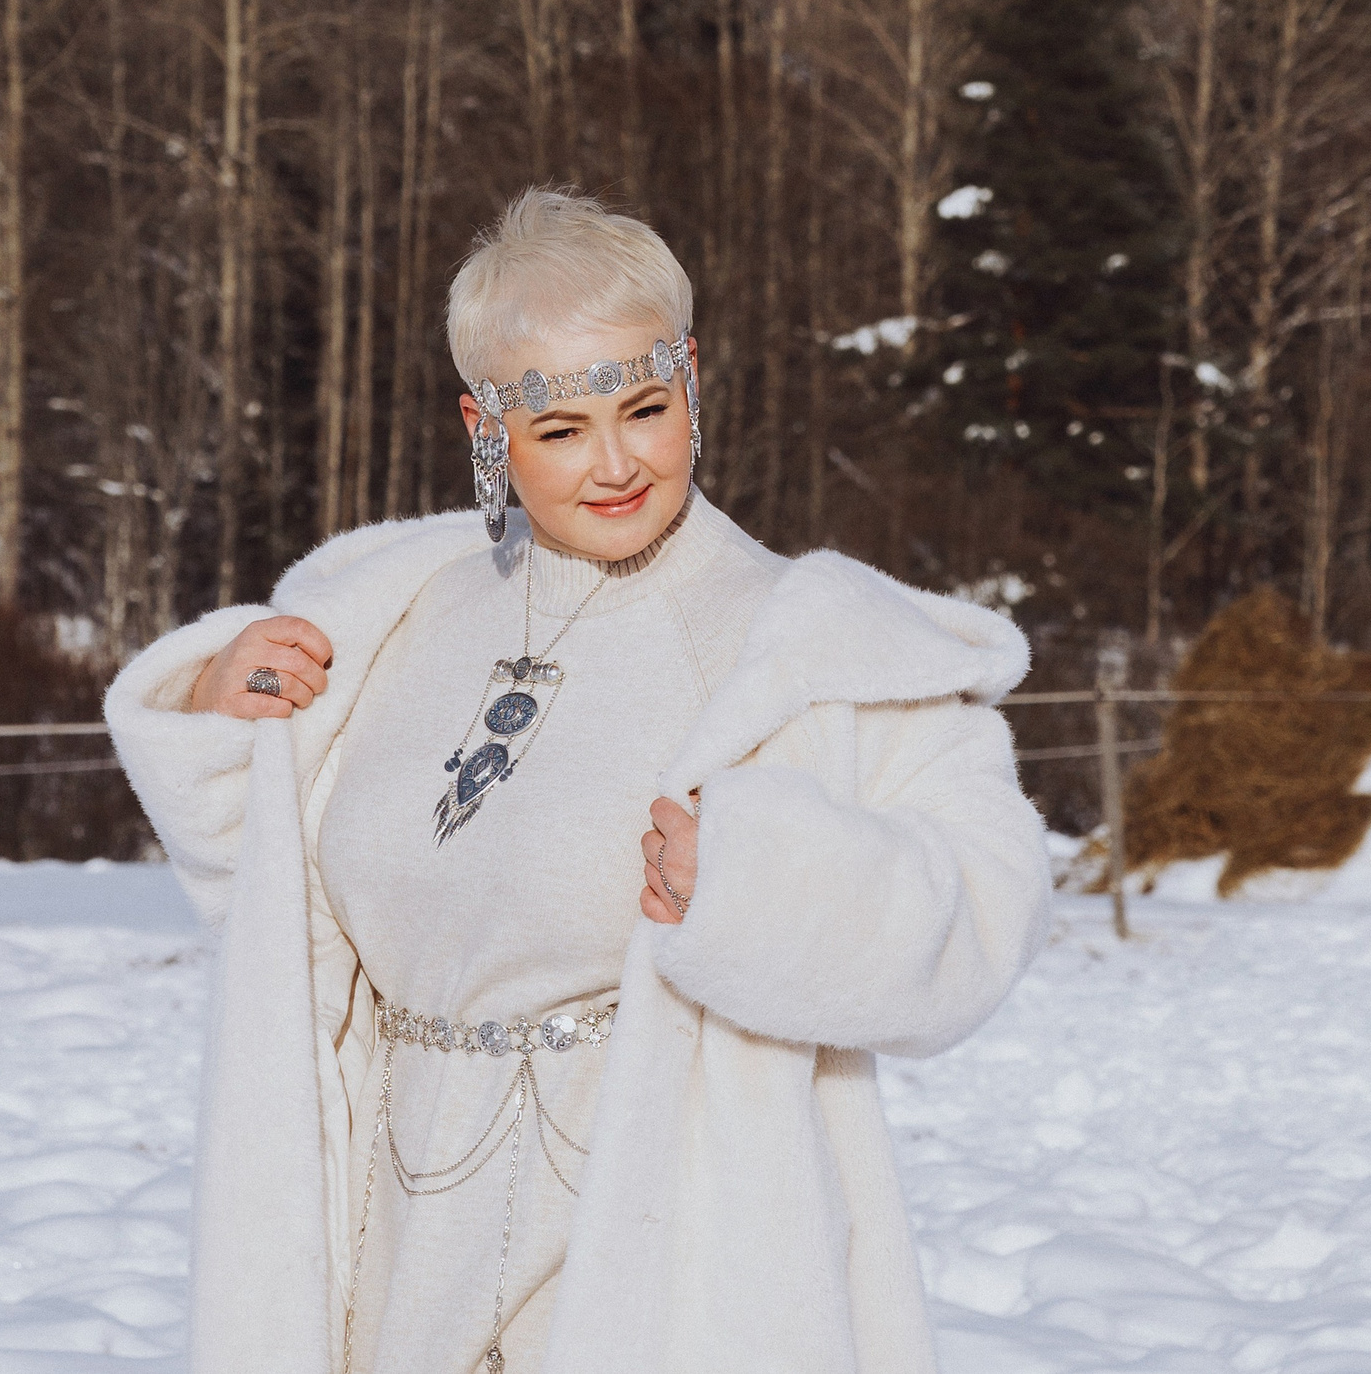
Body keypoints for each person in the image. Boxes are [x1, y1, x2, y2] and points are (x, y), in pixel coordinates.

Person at [105, 188, 1050, 1374]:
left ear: (690, 376)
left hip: (658, 1230)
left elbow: (982, 913)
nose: (616, 464)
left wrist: (761, 879)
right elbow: (275, 902)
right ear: (485, 425)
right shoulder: (390, 609)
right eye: (560, 430)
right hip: (387, 1231)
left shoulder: (811, 644)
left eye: (646, 408)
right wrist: (221, 717)